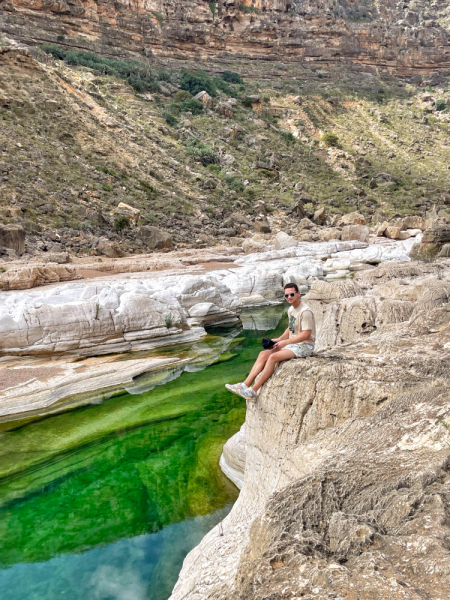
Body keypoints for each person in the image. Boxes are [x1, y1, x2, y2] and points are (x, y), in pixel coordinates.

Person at [225, 282, 316, 402]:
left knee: (273, 357)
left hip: (305, 346)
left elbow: (306, 334)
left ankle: (253, 391)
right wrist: (278, 340)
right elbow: (290, 328)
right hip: (293, 344)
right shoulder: (291, 310)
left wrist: (286, 342)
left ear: (298, 294)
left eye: (292, 294)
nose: (289, 297)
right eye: (286, 295)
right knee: (263, 354)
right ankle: (244, 385)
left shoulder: (305, 312)